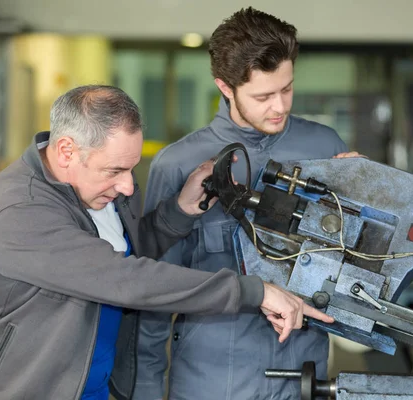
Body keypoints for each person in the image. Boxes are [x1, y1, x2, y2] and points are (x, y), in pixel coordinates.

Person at [0, 85, 334, 400]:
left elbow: (128, 250)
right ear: (66, 151)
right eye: (115, 170)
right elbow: (122, 278)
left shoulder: (96, 187)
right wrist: (254, 292)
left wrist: (179, 211)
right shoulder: (19, 209)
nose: (128, 186)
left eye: (132, 168)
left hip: (93, 385)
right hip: (25, 389)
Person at [133, 8, 361, 400]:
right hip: (211, 384)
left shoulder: (326, 149)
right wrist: (147, 391)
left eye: (286, 89)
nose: (279, 106)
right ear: (225, 86)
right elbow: (153, 293)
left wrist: (374, 197)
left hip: (303, 381)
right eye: (263, 95)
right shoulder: (178, 164)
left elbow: (363, 271)